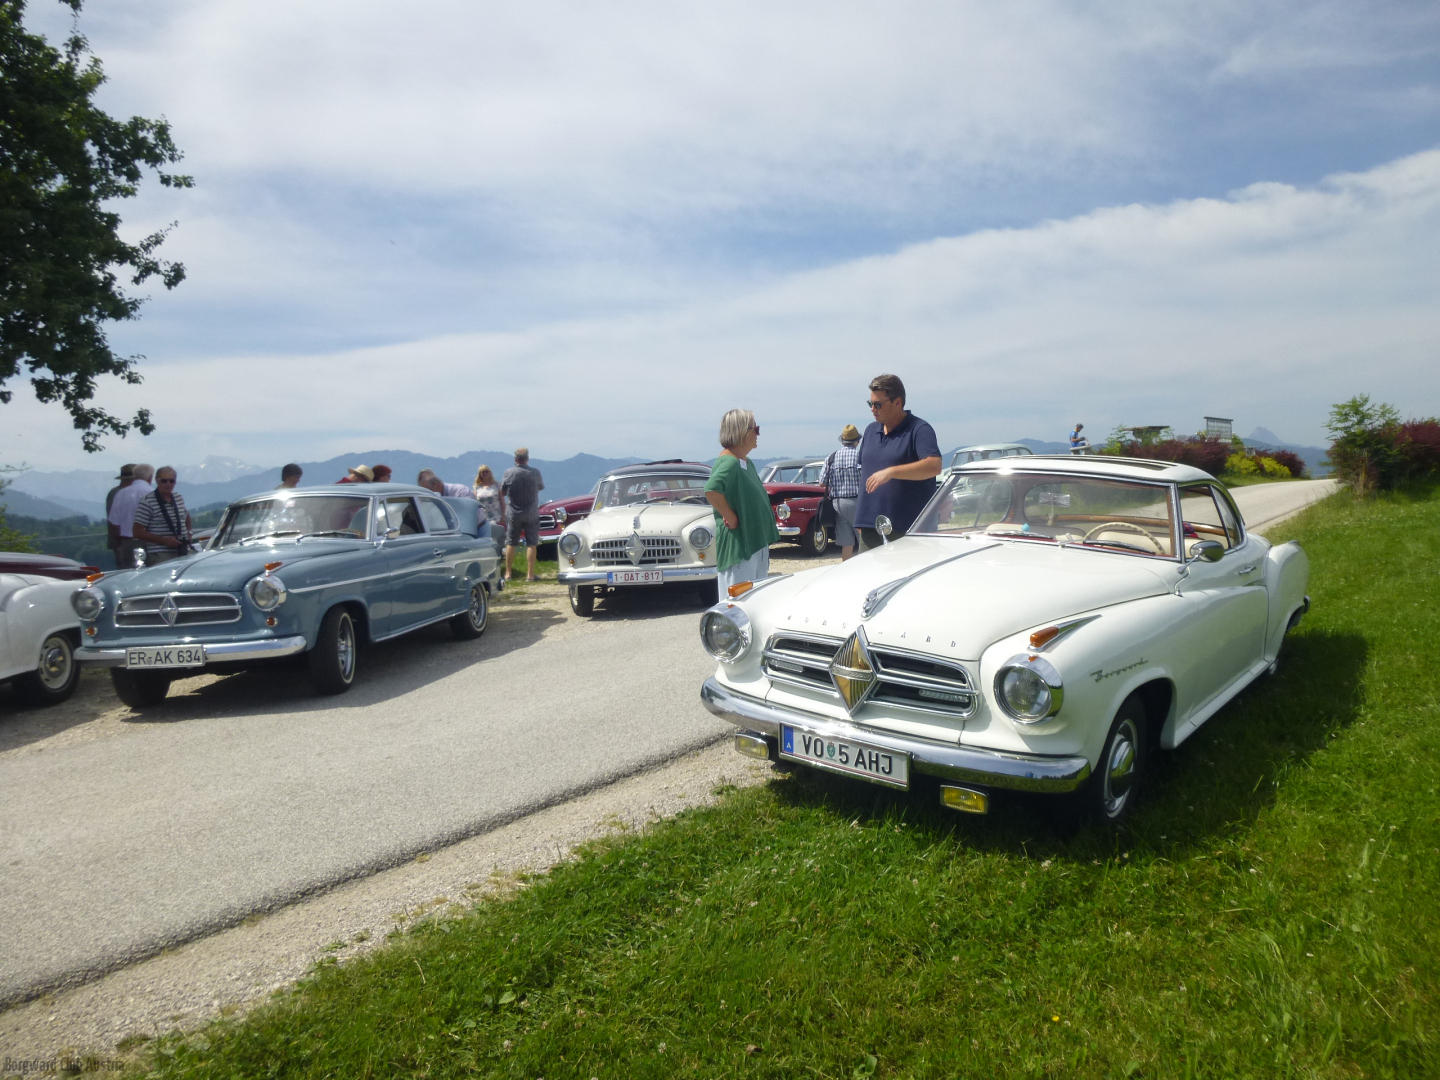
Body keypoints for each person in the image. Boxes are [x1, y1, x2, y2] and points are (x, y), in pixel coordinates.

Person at [853, 374, 941, 552]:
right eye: (871, 404)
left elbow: (934, 465)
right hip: (870, 528)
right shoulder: (870, 431)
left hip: (907, 528)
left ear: (897, 402)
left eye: (878, 404)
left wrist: (891, 472)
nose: (873, 409)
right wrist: (860, 518)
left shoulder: (919, 429)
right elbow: (865, 475)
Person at [704, 409, 780, 595]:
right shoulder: (729, 462)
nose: (758, 434)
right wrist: (729, 516)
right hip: (740, 546)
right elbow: (712, 489)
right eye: (756, 429)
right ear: (742, 432)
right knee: (739, 602)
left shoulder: (745, 462)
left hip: (755, 543)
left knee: (755, 599)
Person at [500, 448, 545, 582]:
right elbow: (540, 487)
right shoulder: (535, 472)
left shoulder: (509, 473)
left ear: (516, 459)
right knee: (532, 543)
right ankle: (530, 575)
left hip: (514, 513)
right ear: (527, 459)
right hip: (531, 512)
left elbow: (502, 491)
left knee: (511, 542)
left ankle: (508, 573)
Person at [132, 467, 194, 565]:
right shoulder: (147, 501)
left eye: (171, 481)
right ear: (157, 480)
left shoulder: (178, 497)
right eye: (164, 481)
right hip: (160, 554)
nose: (168, 484)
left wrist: (189, 534)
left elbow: (186, 516)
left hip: (182, 550)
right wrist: (165, 541)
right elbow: (137, 531)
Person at [820, 424, 863, 561]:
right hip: (858, 502)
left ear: (843, 441)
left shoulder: (831, 458)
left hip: (838, 503)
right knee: (864, 541)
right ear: (857, 441)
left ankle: (846, 569)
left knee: (846, 543)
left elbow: (822, 482)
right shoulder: (860, 456)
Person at [107, 464, 154, 568]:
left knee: (128, 572)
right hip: (150, 541)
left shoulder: (119, 494)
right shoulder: (152, 493)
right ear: (150, 477)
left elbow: (114, 522)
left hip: (126, 542)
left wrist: (118, 543)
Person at [105, 464, 136, 564]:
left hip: (120, 540)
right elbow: (114, 520)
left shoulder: (114, 492)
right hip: (122, 540)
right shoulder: (118, 493)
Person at [473, 464, 504, 530]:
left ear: (490, 473)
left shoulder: (497, 485)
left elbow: (502, 501)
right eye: (483, 472)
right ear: (480, 474)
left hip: (496, 516)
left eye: (487, 471)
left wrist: (503, 516)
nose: (485, 473)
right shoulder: (477, 487)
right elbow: (475, 503)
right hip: (483, 518)